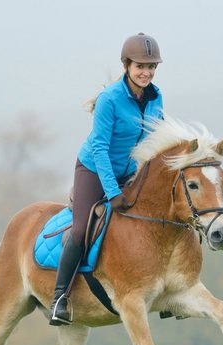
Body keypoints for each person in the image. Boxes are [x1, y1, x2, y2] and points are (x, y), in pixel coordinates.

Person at [48, 32, 164, 326]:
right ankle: (59, 298)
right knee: (80, 229)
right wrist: (112, 192)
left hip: (129, 172)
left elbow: (156, 140)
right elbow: (100, 148)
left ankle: (166, 291)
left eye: (151, 67)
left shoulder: (156, 97)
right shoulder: (109, 99)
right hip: (94, 169)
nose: (146, 72)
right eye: (140, 66)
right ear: (126, 65)